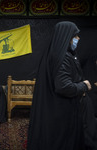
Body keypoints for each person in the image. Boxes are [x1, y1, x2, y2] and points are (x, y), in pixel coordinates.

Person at [27, 21, 97, 150]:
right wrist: (84, 86)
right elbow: (63, 86)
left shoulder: (56, 53)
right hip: (64, 110)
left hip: (57, 108)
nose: (78, 38)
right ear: (67, 36)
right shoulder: (63, 57)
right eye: (75, 36)